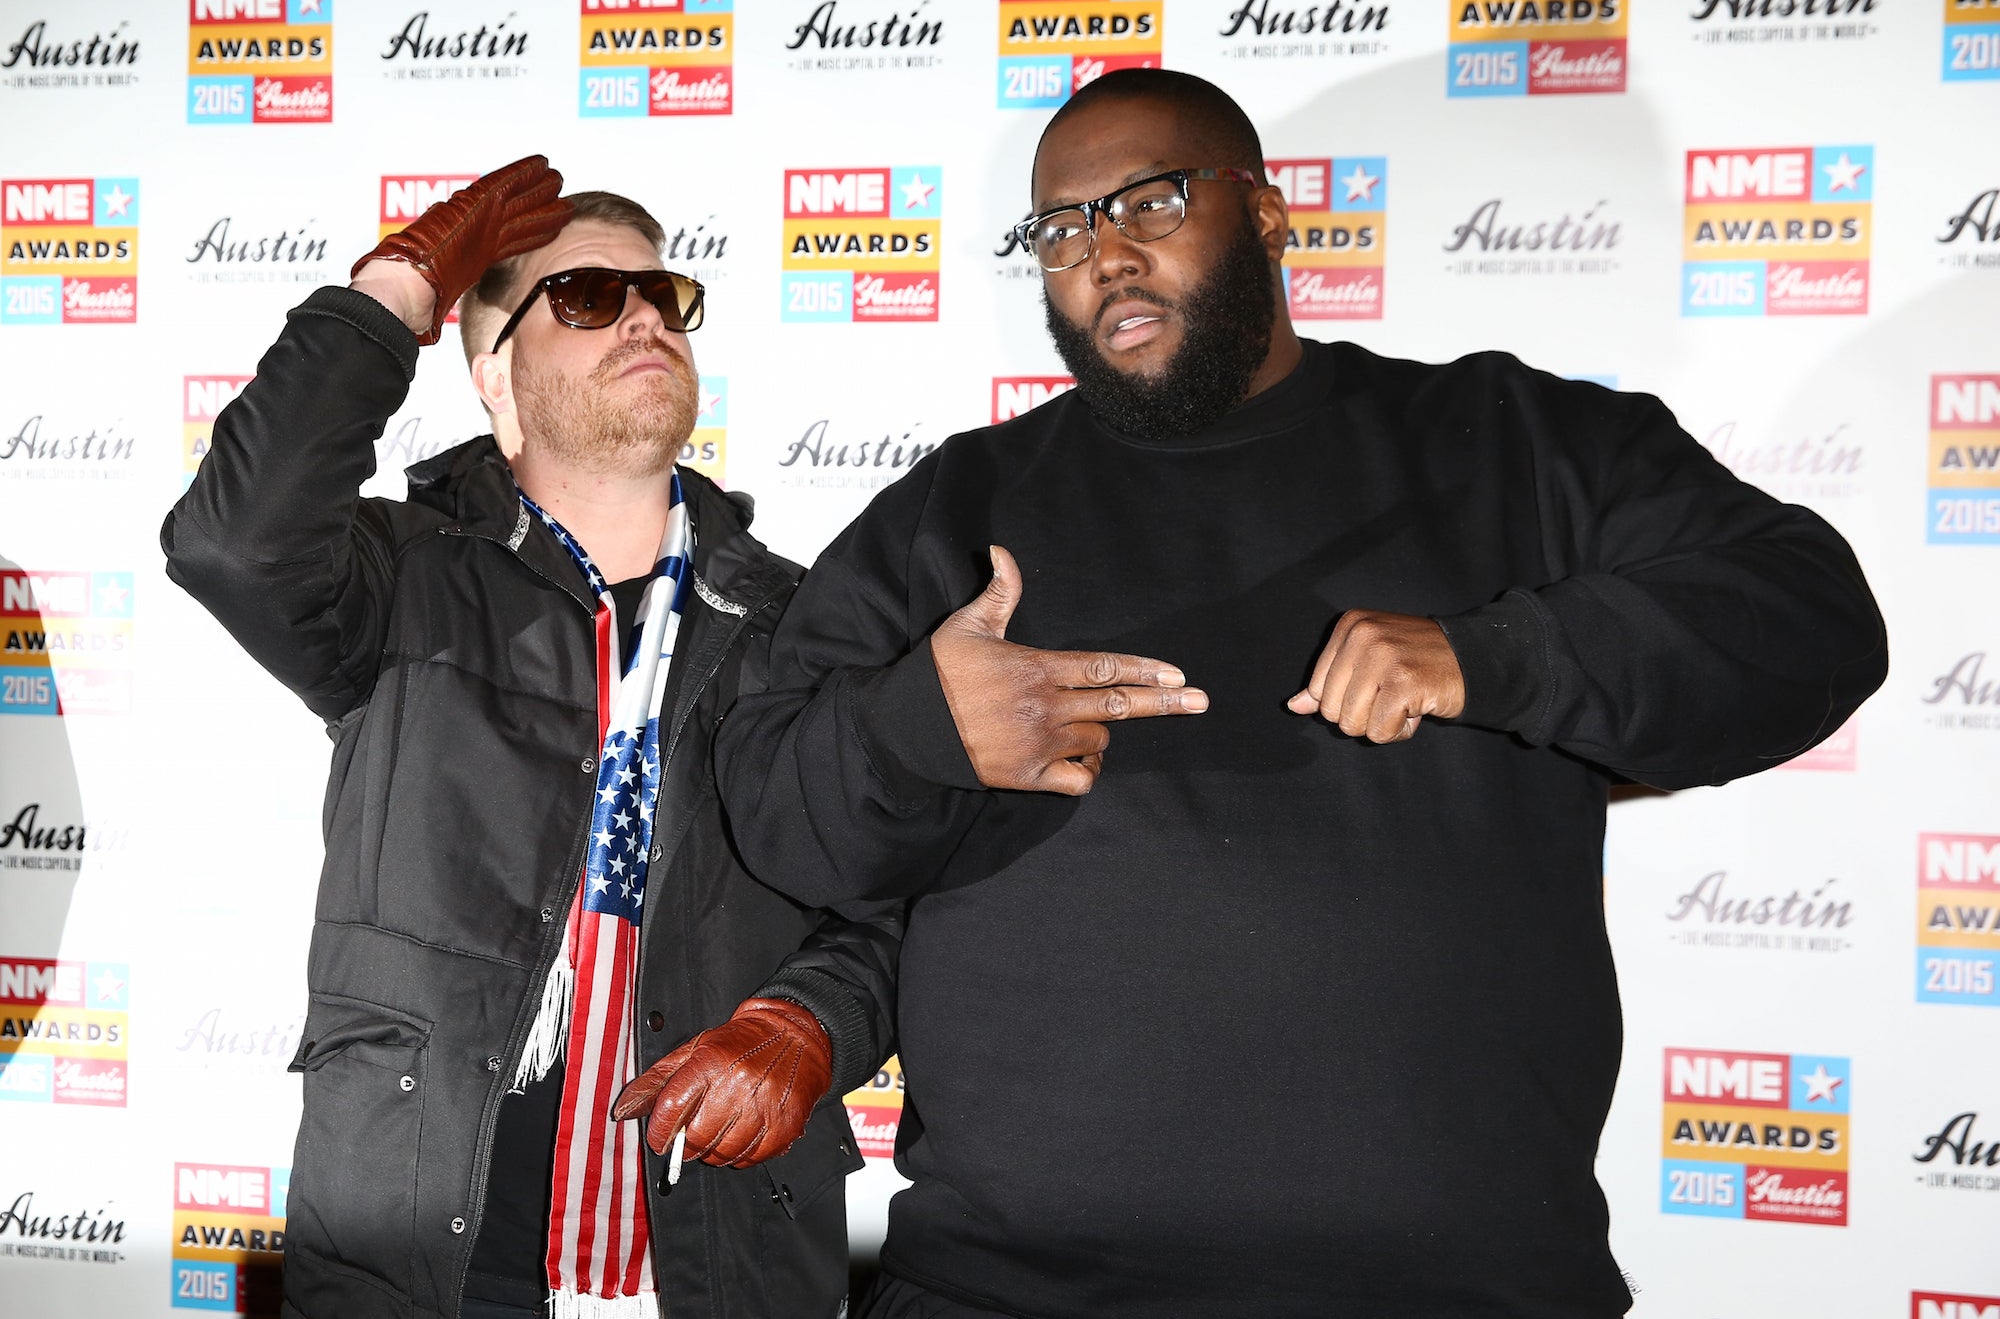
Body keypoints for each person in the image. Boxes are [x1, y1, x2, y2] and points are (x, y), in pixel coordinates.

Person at [713, 72, 1888, 1319]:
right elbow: (779, 818)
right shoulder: (957, 511)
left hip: (1455, 1287)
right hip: (1014, 1288)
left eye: (1148, 202)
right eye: (1060, 230)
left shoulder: (1506, 441)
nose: (1103, 255)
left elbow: (1809, 620)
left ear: (1267, 217)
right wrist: (918, 729)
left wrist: (1497, 656)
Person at [162, 157, 894, 1319]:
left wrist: (807, 1021)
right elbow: (230, 544)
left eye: (663, 295)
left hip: (717, 1251)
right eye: (588, 297)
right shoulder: (397, 579)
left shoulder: (808, 621)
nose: (644, 315)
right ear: (493, 381)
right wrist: (395, 292)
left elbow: (884, 901)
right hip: (423, 1248)